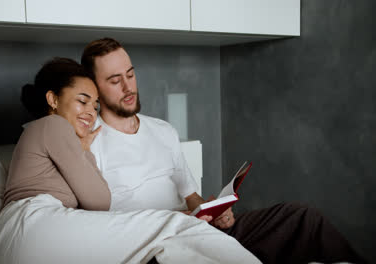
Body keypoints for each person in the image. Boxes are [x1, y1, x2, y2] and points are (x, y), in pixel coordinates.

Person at [81, 38, 367, 264]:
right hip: (161, 245)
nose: (129, 87)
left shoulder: (163, 130)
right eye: (115, 81)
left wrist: (212, 211)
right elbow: (97, 226)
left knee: (302, 219)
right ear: (95, 87)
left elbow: (190, 196)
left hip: (200, 228)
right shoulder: (89, 143)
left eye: (130, 74)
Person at [0, 58, 261, 264]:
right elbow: (98, 200)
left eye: (95, 105)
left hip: (13, 241)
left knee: (170, 245)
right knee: (177, 224)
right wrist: (84, 150)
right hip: (33, 225)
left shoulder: (43, 133)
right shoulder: (54, 126)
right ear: (52, 99)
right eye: (82, 102)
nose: (90, 113)